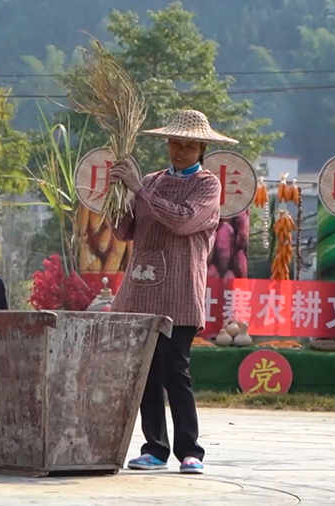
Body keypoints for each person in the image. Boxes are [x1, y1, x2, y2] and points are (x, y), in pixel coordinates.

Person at [108, 110, 234, 475]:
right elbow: (125, 231)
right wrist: (115, 197)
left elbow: (181, 220)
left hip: (180, 292)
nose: (180, 151)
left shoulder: (207, 186)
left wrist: (138, 189)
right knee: (146, 372)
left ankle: (190, 451)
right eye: (175, 143)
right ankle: (154, 449)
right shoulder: (151, 181)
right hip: (140, 291)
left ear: (202, 149)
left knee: (176, 371)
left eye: (189, 146)